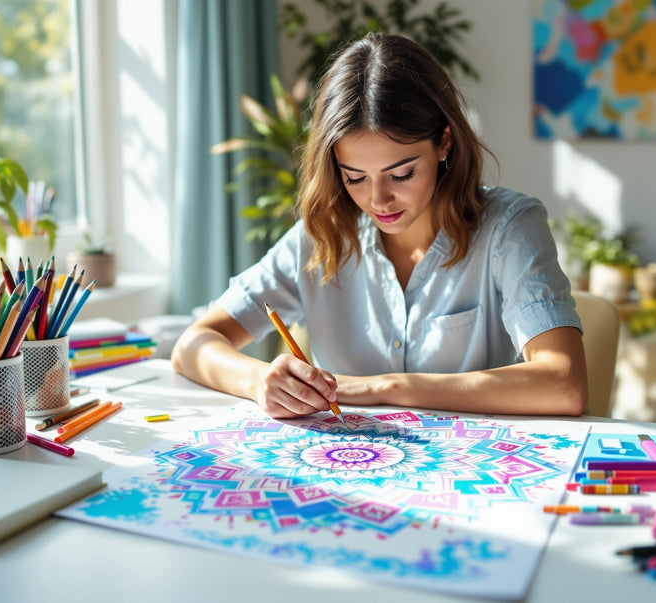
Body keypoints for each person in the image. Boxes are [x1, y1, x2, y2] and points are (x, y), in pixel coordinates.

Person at [172, 32, 587, 419]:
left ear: (444, 142)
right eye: (354, 177)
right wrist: (257, 381)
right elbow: (192, 345)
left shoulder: (509, 227)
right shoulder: (323, 235)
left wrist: (384, 387)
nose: (377, 200)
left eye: (402, 174)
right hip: (349, 474)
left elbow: (564, 383)